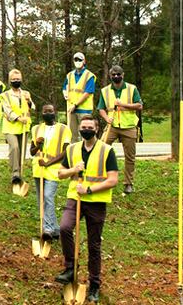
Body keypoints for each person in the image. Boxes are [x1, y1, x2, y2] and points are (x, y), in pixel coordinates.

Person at [55, 115, 118, 303]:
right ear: (79, 129)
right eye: (83, 127)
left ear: (96, 129)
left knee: (94, 245)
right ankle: (70, 268)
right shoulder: (73, 149)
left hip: (96, 202)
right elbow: (60, 173)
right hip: (75, 198)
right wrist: (74, 170)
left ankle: (94, 285)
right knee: (65, 228)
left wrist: (89, 189)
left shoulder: (107, 151)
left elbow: (113, 180)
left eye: (90, 127)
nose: (86, 129)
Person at [97, 65, 143, 194]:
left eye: (118, 74)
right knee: (100, 149)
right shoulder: (105, 91)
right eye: (113, 75)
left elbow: (139, 105)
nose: (116, 77)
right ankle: (101, 178)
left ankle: (128, 183)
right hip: (112, 126)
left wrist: (123, 105)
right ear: (110, 76)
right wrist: (106, 118)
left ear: (123, 75)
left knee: (130, 157)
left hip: (128, 127)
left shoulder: (131, 88)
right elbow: (101, 108)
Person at [29, 104, 71, 240]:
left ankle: (47, 228)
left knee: (48, 196)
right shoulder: (36, 129)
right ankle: (55, 229)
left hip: (53, 168)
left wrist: (48, 163)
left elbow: (65, 152)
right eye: (45, 111)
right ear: (42, 113)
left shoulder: (64, 129)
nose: (48, 113)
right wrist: (37, 145)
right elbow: (31, 152)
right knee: (41, 199)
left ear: (55, 112)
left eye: (50, 111)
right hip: (38, 168)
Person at [0, 69, 35, 185]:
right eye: (14, 79)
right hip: (10, 126)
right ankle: (15, 173)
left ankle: (20, 174)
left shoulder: (26, 93)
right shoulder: (4, 95)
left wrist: (28, 101)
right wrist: (19, 118)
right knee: (14, 148)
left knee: (21, 151)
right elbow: (7, 111)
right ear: (10, 80)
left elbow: (32, 107)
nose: (16, 81)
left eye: (18, 79)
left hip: (24, 127)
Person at [63, 52, 97, 142]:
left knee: (86, 134)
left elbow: (87, 93)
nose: (78, 62)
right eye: (76, 60)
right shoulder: (69, 75)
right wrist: (65, 94)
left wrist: (75, 105)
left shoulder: (89, 76)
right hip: (71, 109)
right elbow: (64, 87)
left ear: (84, 61)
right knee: (73, 135)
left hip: (84, 110)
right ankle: (75, 153)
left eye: (80, 60)